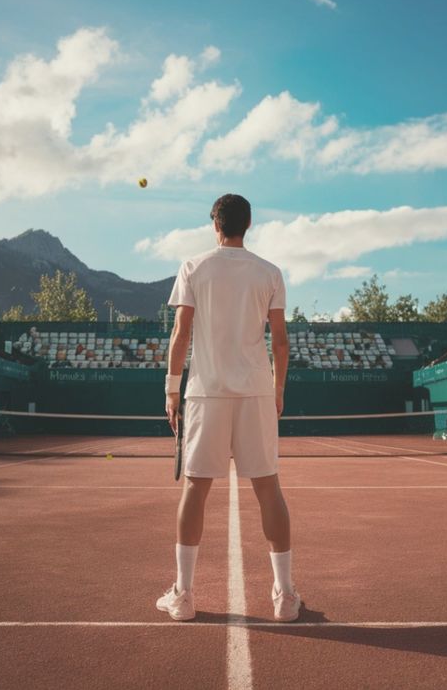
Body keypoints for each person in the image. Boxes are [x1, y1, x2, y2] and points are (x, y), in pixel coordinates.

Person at [156, 193, 301, 622]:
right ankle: (286, 597)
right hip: (256, 391)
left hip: (205, 392)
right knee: (268, 488)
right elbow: (280, 341)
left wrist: (171, 389)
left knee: (195, 490)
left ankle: (183, 596)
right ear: (248, 224)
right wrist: (277, 389)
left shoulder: (192, 267)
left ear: (214, 224)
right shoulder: (270, 272)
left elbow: (181, 332)